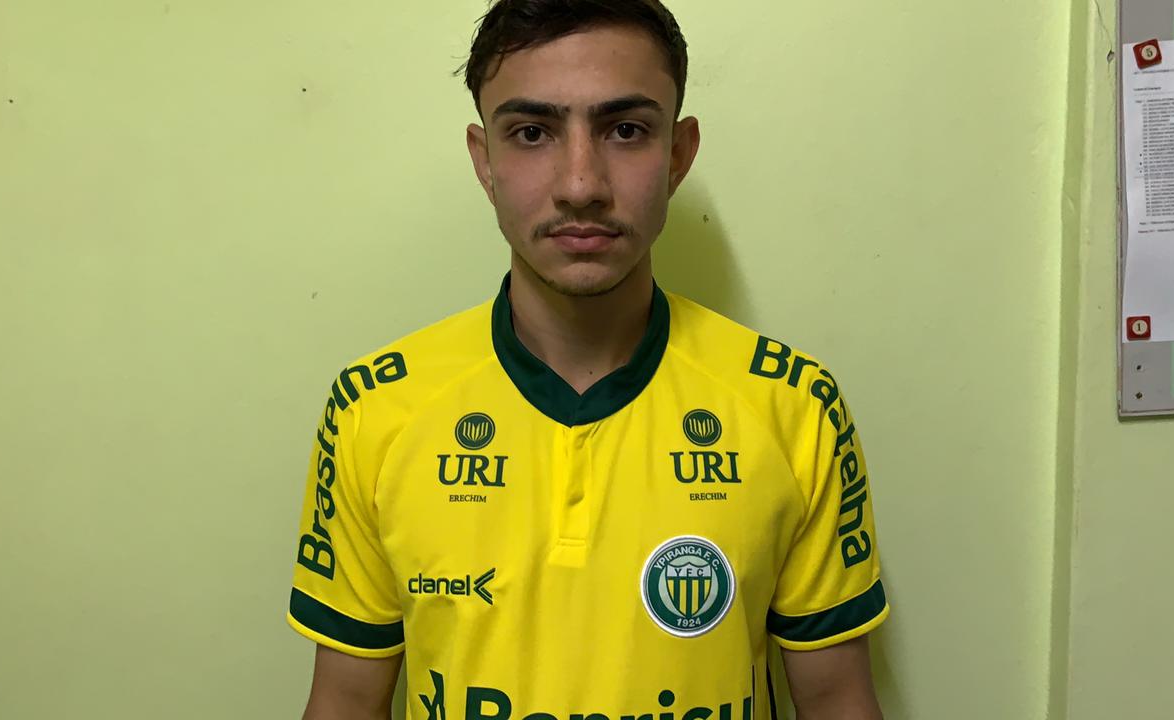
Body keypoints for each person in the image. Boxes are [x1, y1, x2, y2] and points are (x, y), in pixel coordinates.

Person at [287, 1, 889, 718]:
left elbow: (837, 700)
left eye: (625, 130)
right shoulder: (376, 409)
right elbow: (345, 702)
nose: (581, 185)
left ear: (678, 153)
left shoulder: (792, 406)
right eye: (532, 132)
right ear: (484, 161)